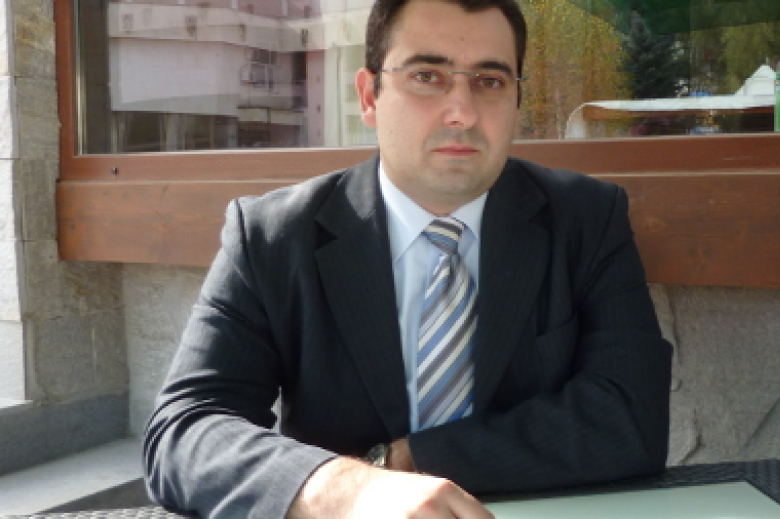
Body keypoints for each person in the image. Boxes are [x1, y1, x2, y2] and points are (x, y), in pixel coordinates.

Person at [143, 1, 673, 518]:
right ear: (369, 96)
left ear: (516, 99)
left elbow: (632, 418)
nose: (462, 112)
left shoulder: (587, 219)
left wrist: (402, 461)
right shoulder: (271, 237)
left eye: (490, 81)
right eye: (426, 76)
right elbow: (184, 430)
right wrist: (345, 491)